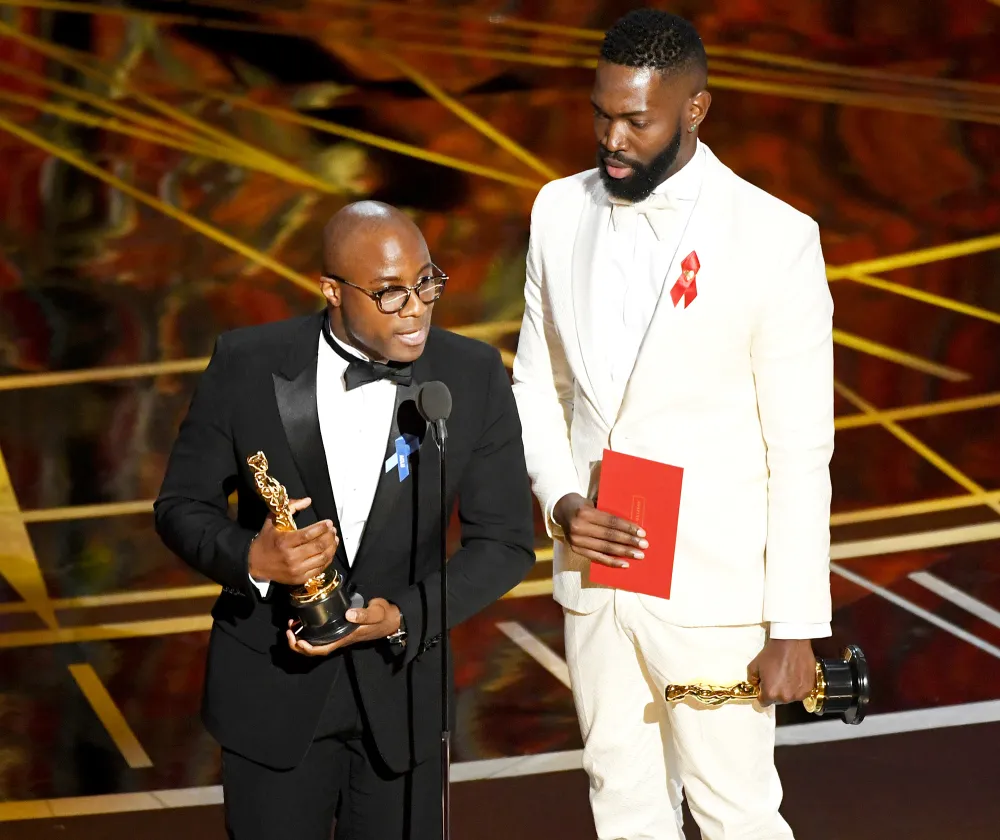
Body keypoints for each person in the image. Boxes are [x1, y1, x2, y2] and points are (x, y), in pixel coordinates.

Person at [511, 9, 834, 840]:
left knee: (737, 815)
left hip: (714, 592)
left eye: (636, 120)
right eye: (600, 112)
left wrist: (797, 625)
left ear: (694, 110)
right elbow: (535, 383)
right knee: (619, 798)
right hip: (595, 567)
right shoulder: (556, 211)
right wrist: (561, 504)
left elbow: (801, 451)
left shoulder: (777, 239)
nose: (611, 137)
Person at [155, 201, 535, 840]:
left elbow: (504, 543)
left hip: (403, 698)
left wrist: (406, 615)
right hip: (271, 695)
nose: (415, 306)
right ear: (331, 290)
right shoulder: (246, 363)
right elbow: (180, 507)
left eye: (426, 282)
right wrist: (254, 558)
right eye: (388, 294)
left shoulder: (471, 377)